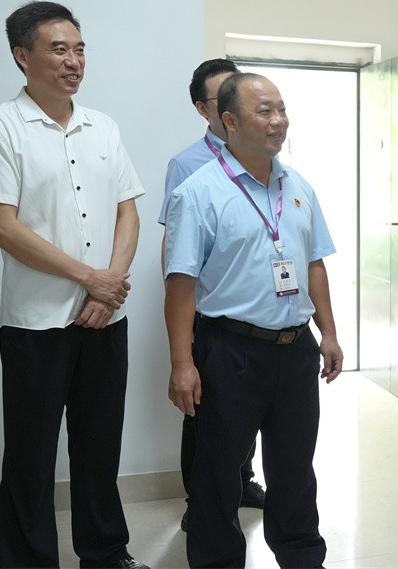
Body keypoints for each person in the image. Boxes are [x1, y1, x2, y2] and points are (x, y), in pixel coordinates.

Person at [0, 1, 148, 569]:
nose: (74, 61)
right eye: (59, 49)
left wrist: (107, 289)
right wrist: (91, 279)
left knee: (100, 448)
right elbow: (3, 228)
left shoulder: (103, 126)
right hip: (35, 323)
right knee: (31, 456)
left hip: (105, 319)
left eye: (80, 49)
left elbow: (128, 212)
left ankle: (106, 553)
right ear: (23, 56)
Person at [163, 72, 343, 568]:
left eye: (281, 109)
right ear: (229, 120)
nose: (278, 120)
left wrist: (328, 333)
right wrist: (182, 364)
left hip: (296, 349)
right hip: (230, 351)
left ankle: (303, 557)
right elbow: (180, 286)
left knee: (295, 470)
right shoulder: (197, 193)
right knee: (218, 474)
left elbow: (314, 263)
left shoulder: (298, 186)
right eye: (264, 111)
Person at [159, 59, 266, 533]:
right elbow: (175, 246)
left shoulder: (265, 158)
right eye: (221, 97)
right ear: (204, 110)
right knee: (203, 414)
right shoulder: (187, 165)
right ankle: (198, 500)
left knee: (253, 408)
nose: (232, 104)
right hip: (212, 311)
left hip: (258, 310)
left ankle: (244, 482)